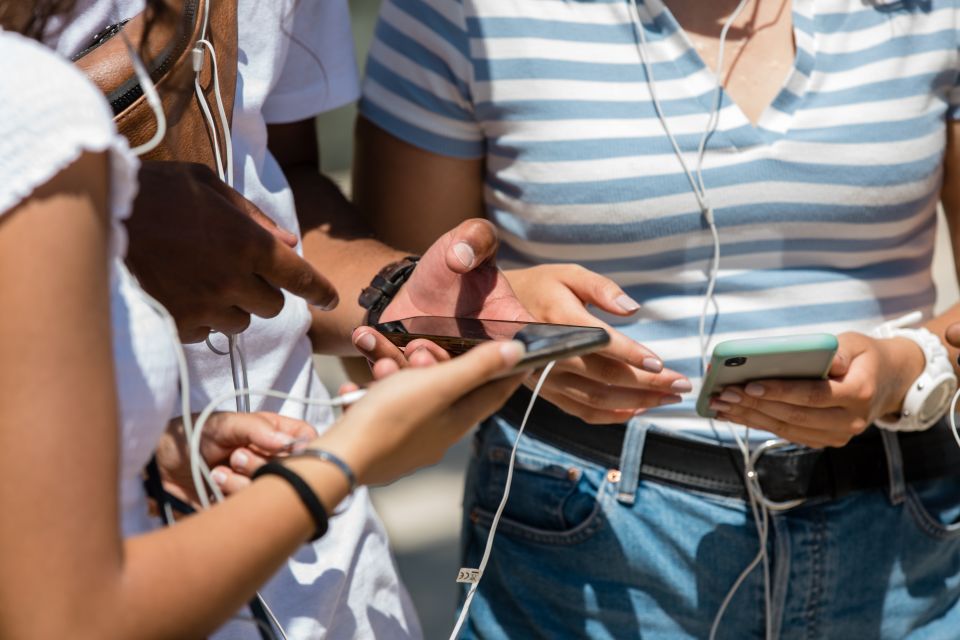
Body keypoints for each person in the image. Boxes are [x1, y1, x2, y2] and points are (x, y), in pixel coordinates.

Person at [353, 0, 960, 636]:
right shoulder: (460, 11)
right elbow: (393, 329)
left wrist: (911, 368)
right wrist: (511, 334)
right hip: (582, 540)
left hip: (903, 535)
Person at [0, 5, 532, 638]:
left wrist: (395, 296)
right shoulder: (31, 100)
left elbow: (278, 180)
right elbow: (69, 615)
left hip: (333, 580)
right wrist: (350, 456)